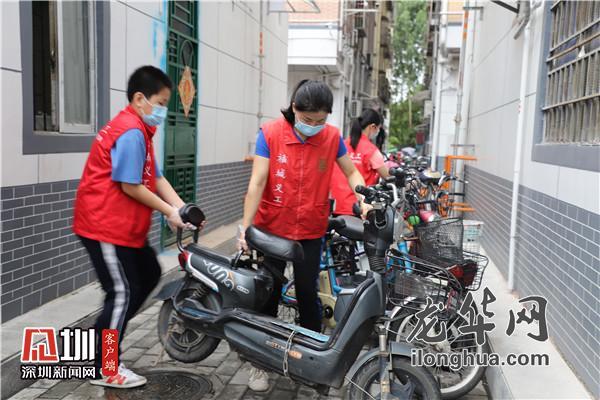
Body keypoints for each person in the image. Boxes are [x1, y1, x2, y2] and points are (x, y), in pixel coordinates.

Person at [238, 79, 368, 392]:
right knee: (268, 293)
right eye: (308, 119)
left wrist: (364, 197)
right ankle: (259, 363)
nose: (313, 127)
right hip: (272, 229)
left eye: (320, 121)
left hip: (310, 229)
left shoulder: (331, 137)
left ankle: (311, 362)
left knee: (309, 295)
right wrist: (245, 228)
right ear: (294, 108)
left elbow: (351, 171)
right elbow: (258, 182)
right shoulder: (270, 133)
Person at [73, 65, 196, 389]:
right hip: (104, 226)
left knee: (149, 274)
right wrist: (169, 211)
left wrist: (182, 208)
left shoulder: (141, 129)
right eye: (161, 103)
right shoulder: (130, 131)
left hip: (125, 229)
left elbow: (155, 177)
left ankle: (104, 336)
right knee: (122, 292)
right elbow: (130, 185)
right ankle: (105, 365)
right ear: (140, 99)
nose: (163, 111)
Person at [330, 109, 390, 216]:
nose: (378, 132)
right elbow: (388, 177)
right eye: (378, 129)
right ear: (372, 127)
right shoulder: (371, 151)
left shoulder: (342, 145)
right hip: (360, 209)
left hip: (336, 208)